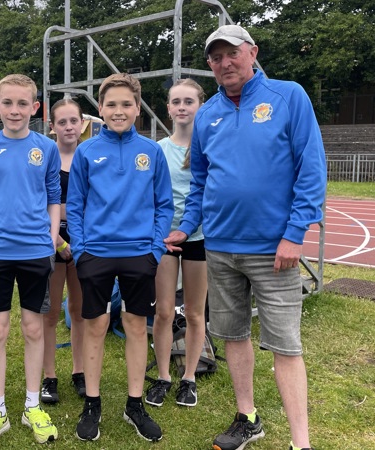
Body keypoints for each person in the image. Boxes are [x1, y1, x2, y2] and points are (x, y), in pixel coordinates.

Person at [166, 25, 325, 450]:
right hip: (220, 248)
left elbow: (311, 168)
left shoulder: (288, 96)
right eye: (216, 58)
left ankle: (300, 443)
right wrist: (187, 224)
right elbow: (200, 181)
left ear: (252, 52)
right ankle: (248, 417)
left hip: (275, 251)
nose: (224, 63)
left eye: (232, 54)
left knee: (285, 346)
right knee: (233, 336)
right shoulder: (208, 114)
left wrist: (294, 235)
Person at [67, 73, 173, 443]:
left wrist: (155, 248)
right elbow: (75, 206)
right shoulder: (86, 151)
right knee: (95, 327)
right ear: (100, 109)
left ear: (137, 108)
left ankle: (134, 402)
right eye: (111, 104)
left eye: (126, 104)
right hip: (95, 254)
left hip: (139, 255)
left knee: (133, 326)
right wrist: (80, 250)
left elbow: (164, 204)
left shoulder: (152, 151)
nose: (119, 111)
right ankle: (92, 403)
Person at [0, 74, 61, 450]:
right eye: (8, 103)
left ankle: (32, 405)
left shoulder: (47, 148)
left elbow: (53, 195)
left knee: (34, 328)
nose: (15, 110)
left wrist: (51, 238)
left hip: (36, 251)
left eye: (23, 104)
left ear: (35, 108)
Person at [146, 78, 208, 409]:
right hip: (166, 239)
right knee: (164, 312)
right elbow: (149, 197)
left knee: (196, 313)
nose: (182, 107)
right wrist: (157, 235)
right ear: (168, 108)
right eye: (176, 102)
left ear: (200, 105)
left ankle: (189, 378)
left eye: (189, 101)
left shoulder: (207, 147)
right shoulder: (158, 149)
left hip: (199, 240)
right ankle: (164, 377)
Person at [41, 98, 86, 405]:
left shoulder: (91, 155)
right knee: (51, 311)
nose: (69, 127)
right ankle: (49, 375)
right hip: (51, 237)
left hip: (84, 238)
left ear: (82, 123)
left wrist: (79, 240)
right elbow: (37, 199)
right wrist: (57, 238)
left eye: (74, 121)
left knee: (80, 311)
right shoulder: (45, 156)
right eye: (62, 122)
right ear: (52, 126)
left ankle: (80, 371)